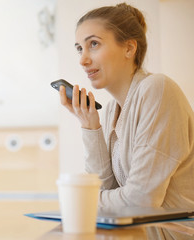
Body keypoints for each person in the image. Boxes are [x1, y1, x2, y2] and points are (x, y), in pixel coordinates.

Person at [59, 3, 194, 209]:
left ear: (129, 48)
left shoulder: (158, 89)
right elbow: (107, 188)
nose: (83, 60)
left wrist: (82, 199)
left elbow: (141, 201)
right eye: (79, 49)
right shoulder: (113, 109)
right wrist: (90, 127)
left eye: (93, 44)